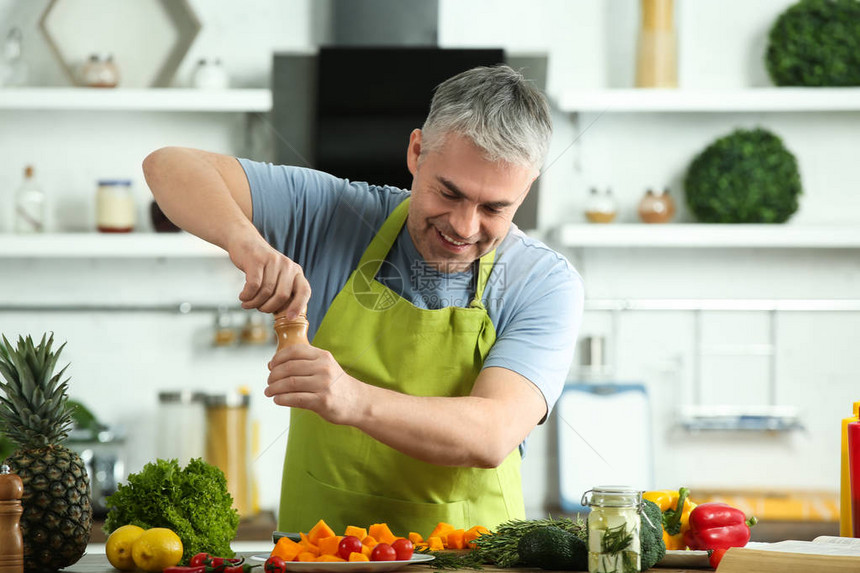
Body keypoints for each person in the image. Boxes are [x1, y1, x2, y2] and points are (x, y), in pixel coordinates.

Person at [143, 64, 584, 535]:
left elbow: (492, 433)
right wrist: (247, 243)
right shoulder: (334, 216)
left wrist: (351, 398)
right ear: (417, 152)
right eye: (448, 192)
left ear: (526, 189)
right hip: (316, 558)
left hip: (471, 564)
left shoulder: (542, 282)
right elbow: (168, 165)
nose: (464, 225)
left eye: (494, 207)